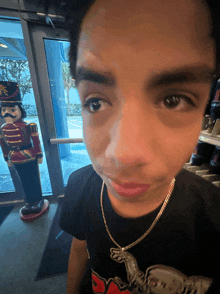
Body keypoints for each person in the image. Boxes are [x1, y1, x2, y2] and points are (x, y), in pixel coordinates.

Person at [57, 0, 220, 293]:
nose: (123, 155)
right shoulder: (80, 185)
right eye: (96, 102)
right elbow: (80, 250)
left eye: (173, 100)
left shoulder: (214, 218)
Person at [0, 81, 49, 221]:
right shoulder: (3, 128)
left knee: (34, 179)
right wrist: (6, 157)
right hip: (14, 157)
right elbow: (3, 144)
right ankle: (29, 201)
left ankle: (38, 200)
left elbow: (35, 141)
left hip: (29, 155)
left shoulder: (28, 126)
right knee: (23, 181)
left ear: (20, 110)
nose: (7, 113)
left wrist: (39, 154)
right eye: (3, 110)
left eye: (12, 109)